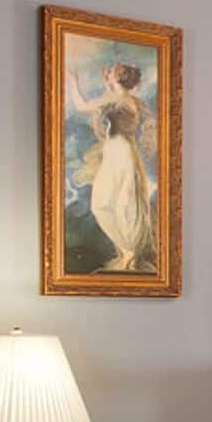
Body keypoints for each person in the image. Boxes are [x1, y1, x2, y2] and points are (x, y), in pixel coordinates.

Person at [68, 62, 157, 273]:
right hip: (123, 152)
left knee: (107, 203)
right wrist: (108, 84)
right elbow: (114, 106)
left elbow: (82, 107)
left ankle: (129, 251)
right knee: (121, 203)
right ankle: (129, 251)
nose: (107, 75)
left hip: (119, 153)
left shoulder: (115, 99)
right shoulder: (128, 99)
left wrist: (73, 82)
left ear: (117, 78)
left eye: (111, 73)